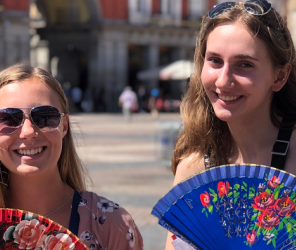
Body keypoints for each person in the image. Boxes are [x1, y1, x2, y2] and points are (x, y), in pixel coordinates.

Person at [165, 1, 296, 249]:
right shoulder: (194, 168)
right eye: (214, 60)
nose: (224, 80)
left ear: (279, 76)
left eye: (244, 64)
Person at [0, 63, 143, 250]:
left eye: (45, 117)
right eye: (9, 118)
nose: (28, 132)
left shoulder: (113, 225)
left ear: (64, 126)